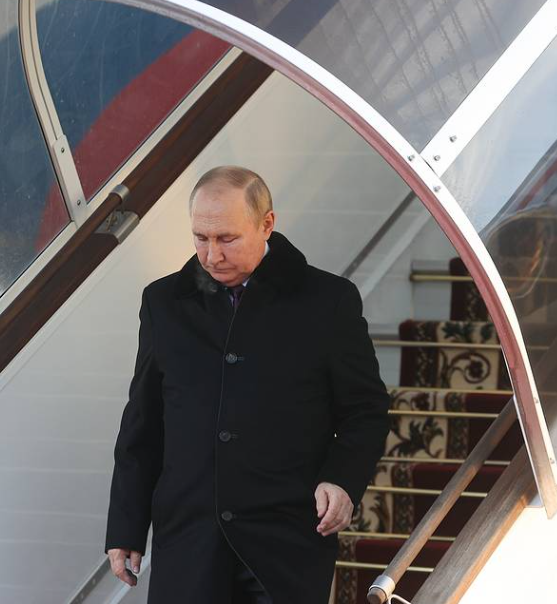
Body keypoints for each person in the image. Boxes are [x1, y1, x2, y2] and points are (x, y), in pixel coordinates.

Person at [104, 165, 391, 603]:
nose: (211, 255)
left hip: (285, 542)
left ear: (267, 224)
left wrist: (342, 480)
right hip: (188, 540)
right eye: (201, 237)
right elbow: (142, 423)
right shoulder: (162, 303)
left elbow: (365, 411)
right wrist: (126, 526)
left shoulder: (329, 301)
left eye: (227, 239)